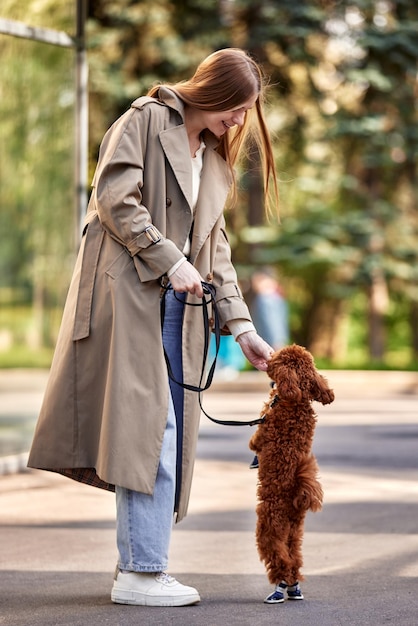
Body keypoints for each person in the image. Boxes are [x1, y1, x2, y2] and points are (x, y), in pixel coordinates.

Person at [28, 48, 279, 607]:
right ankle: (142, 573)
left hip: (179, 310)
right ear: (210, 91)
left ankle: (140, 567)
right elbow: (115, 201)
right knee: (151, 432)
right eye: (235, 109)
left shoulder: (212, 159)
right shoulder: (143, 121)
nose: (239, 122)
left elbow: (216, 250)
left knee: (162, 434)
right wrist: (171, 259)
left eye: (246, 112)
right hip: (130, 303)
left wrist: (242, 329)